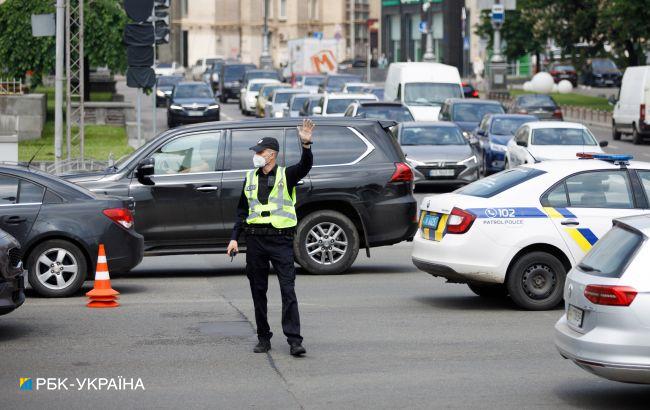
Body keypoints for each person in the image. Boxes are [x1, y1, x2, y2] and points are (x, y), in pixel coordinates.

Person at [227, 118, 315, 357]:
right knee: (258, 290)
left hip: (280, 241)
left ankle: (294, 340)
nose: (256, 155)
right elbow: (242, 211)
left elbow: (306, 166)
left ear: (272, 154)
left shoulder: (287, 175)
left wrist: (306, 145)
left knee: (288, 290)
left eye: (260, 151)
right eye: (256, 151)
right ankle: (263, 337)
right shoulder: (250, 177)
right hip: (255, 241)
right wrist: (235, 237)